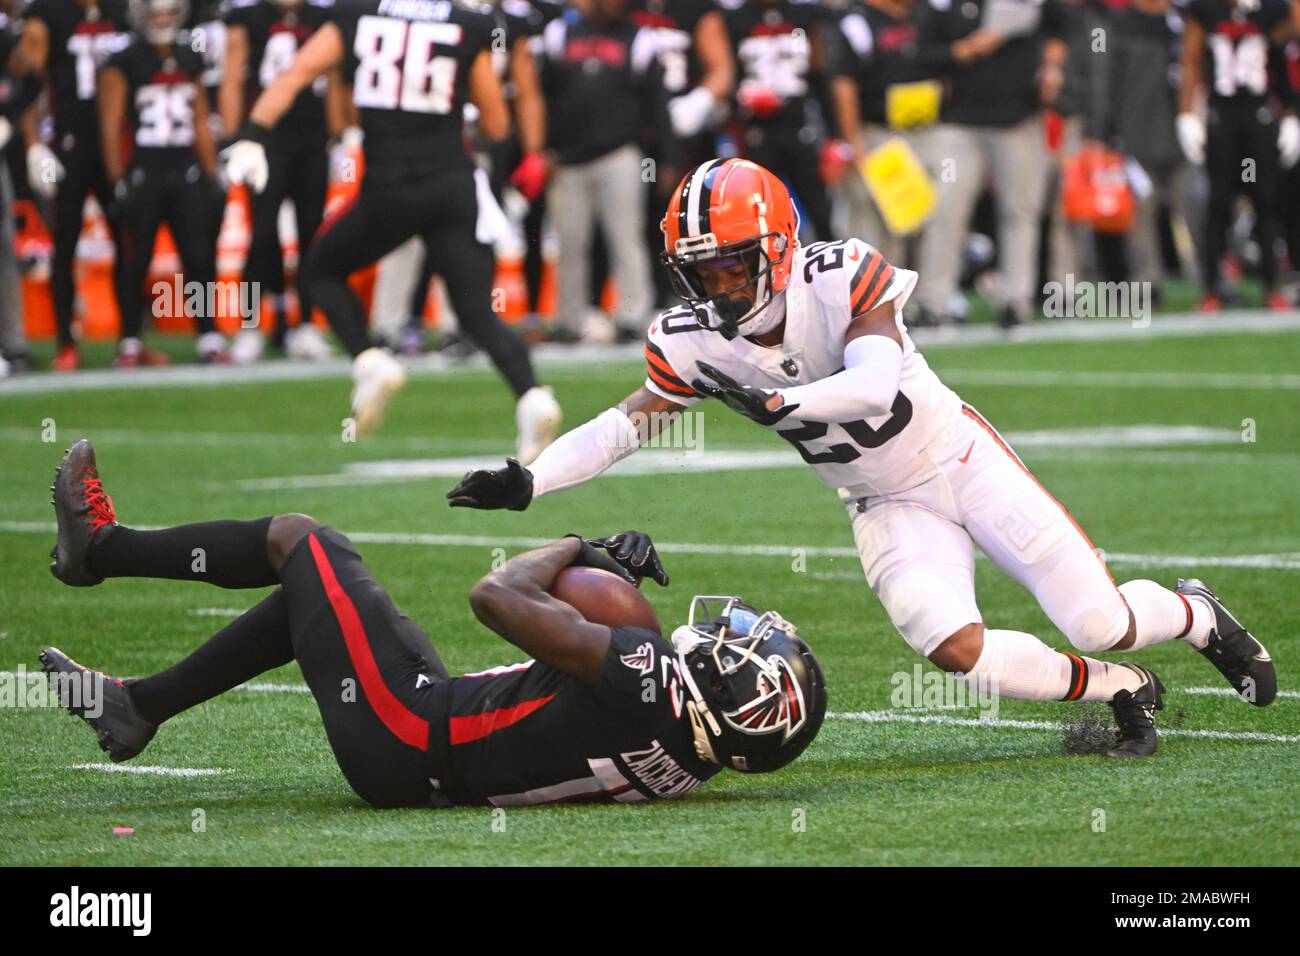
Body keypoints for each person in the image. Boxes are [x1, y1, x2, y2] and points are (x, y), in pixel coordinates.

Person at [449, 157, 1279, 759]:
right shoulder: (694, 336)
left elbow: (877, 381)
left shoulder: (840, 274)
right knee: (956, 649)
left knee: (1102, 620)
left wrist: (784, 403)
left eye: (733, 264)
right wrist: (532, 479)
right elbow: (629, 422)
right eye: (702, 271)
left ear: (776, 247)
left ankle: (1196, 614)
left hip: (958, 459)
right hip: (881, 501)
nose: (720, 288)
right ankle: (1122, 689)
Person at [42, 439, 826, 807]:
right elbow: (601, 670)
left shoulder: (649, 678)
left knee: (303, 539)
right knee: (315, 609)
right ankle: (138, 706)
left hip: (409, 731)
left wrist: (577, 545)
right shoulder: (695, 751)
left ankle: (100, 549)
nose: (735, 631)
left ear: (733, 689)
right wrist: (604, 584)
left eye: (745, 648)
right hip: (427, 748)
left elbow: (493, 597)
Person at [222, 0, 562, 460]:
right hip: (452, 185)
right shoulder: (465, 23)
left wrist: (253, 134)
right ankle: (532, 397)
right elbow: (498, 122)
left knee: (320, 271)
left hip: (391, 188)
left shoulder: (357, 15)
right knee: (478, 315)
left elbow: (296, 73)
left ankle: (369, 359)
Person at [99, 0, 232, 366]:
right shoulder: (124, 59)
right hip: (144, 171)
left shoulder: (190, 56)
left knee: (200, 256)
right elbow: (111, 123)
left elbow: (201, 116)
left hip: (185, 170)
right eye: (155, 11)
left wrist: (212, 171)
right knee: (135, 259)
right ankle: (129, 341)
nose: (163, 19)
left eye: (168, 11)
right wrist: (116, 178)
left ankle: (209, 336)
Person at [6, 0, 133, 370]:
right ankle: (66, 341)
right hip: (65, 148)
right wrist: (33, 146)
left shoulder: (121, 10)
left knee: (127, 239)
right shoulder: (46, 14)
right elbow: (27, 82)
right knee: (65, 242)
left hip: (117, 145)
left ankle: (129, 339)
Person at [1178, 0, 1299, 310]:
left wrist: (1289, 115)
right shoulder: (1205, 9)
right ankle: (1212, 288)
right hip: (1222, 119)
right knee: (1219, 202)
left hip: (1258, 118)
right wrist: (1187, 112)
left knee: (1265, 199)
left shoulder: (1271, 10)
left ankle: (1271, 287)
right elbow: (1190, 59)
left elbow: (1282, 61)